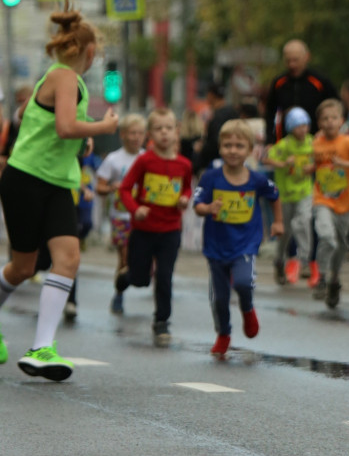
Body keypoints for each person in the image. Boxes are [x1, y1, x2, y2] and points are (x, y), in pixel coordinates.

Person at [0, 3, 119, 380]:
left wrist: (78, 144)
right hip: (27, 179)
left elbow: (31, 119)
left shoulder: (59, 79)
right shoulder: (66, 78)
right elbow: (66, 126)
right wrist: (102, 128)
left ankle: (42, 348)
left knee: (67, 258)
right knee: (23, 267)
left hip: (56, 182)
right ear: (89, 52)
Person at [194, 119, 283, 358]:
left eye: (239, 145)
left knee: (243, 283)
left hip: (245, 243)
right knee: (220, 298)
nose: (233, 150)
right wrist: (208, 208)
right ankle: (223, 333)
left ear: (250, 149)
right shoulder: (210, 177)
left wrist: (278, 222)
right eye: (227, 145)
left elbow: (274, 196)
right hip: (216, 246)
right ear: (220, 147)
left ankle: (247, 308)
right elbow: (197, 205)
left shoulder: (257, 180)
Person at [114, 108, 193, 346]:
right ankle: (126, 277)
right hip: (144, 230)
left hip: (170, 230)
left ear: (176, 131)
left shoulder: (184, 164)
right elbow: (125, 189)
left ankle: (161, 322)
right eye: (158, 129)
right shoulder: (144, 160)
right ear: (150, 134)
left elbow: (187, 187)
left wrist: (185, 199)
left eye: (168, 128)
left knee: (165, 276)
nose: (164, 133)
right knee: (141, 280)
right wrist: (135, 209)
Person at [311, 98, 349, 307]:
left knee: (341, 245)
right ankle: (322, 277)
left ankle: (334, 279)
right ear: (319, 123)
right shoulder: (315, 144)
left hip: (344, 203)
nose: (329, 122)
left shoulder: (347, 142)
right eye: (324, 119)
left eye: (333, 118)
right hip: (321, 199)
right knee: (326, 236)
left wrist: (344, 163)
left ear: (342, 120)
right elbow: (308, 163)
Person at [96, 113, 146, 302]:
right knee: (125, 260)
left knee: (146, 259)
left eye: (140, 133)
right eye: (132, 133)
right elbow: (100, 187)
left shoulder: (148, 158)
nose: (136, 137)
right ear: (122, 135)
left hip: (142, 216)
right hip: (120, 216)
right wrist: (111, 188)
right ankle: (119, 293)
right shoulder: (113, 159)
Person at [264, 106, 315, 285]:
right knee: (284, 232)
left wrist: (313, 167)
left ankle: (305, 260)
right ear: (291, 127)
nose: (303, 129)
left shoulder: (312, 142)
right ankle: (279, 260)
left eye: (305, 125)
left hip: (304, 191)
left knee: (303, 221)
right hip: (285, 194)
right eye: (298, 126)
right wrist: (283, 163)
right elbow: (266, 158)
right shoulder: (285, 144)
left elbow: (319, 160)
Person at [265, 39, 338, 142]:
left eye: (295, 60)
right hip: (286, 143)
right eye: (288, 61)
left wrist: (325, 130)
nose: (292, 65)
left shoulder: (320, 81)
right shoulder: (279, 83)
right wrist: (269, 140)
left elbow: (336, 107)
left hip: (316, 141)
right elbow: (270, 113)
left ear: (307, 57)